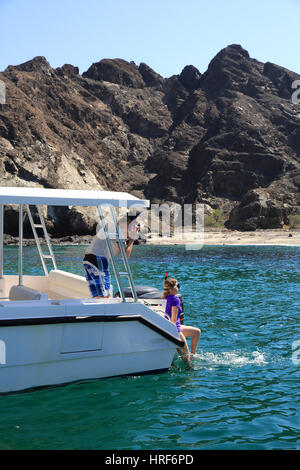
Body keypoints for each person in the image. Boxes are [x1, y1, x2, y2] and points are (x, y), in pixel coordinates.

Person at [83, 213, 139, 298]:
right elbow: (125, 256)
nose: (135, 227)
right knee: (105, 294)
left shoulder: (112, 228)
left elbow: (113, 254)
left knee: (97, 295)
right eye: (134, 224)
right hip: (98, 260)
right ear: (128, 222)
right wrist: (132, 239)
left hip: (88, 260)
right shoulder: (118, 230)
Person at [163, 277, 201, 368]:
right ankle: (189, 367)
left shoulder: (166, 298)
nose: (179, 287)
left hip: (173, 327)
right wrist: (174, 335)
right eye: (177, 285)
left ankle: (193, 355)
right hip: (175, 329)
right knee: (187, 362)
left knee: (197, 332)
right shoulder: (175, 299)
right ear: (173, 288)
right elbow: (173, 319)